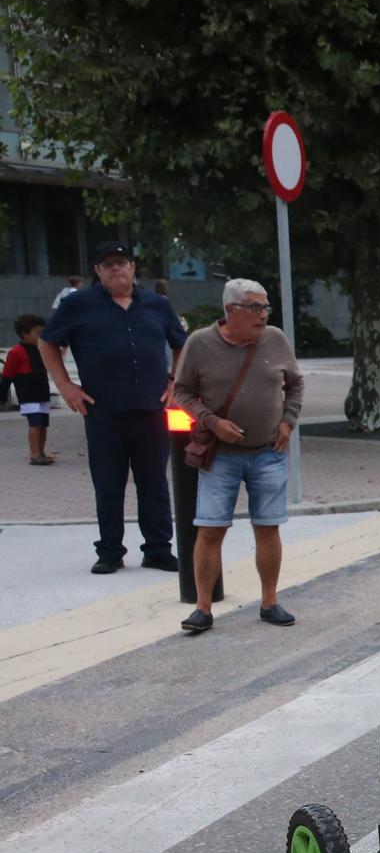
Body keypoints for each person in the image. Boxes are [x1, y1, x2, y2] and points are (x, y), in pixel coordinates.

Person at [38, 241, 187, 574]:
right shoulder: (79, 305)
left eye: (121, 263)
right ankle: (110, 550)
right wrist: (64, 386)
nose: (115, 269)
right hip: (103, 412)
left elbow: (181, 343)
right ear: (97, 271)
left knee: (155, 484)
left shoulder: (156, 305)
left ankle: (158, 549)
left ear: (133, 267)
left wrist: (175, 382)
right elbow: (46, 341)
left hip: (152, 410)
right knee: (108, 483)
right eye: (108, 264)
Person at [170, 277, 304, 632]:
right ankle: (202, 607)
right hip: (221, 455)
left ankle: (270, 601)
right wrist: (212, 422)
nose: (263, 315)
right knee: (210, 529)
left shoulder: (275, 339)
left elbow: (296, 383)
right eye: (255, 307)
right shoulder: (200, 343)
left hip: (268, 452)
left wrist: (288, 422)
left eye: (265, 307)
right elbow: (181, 392)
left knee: (268, 527)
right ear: (231, 310)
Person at [8, 315, 53, 464]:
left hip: (42, 392)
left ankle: (41, 452)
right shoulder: (16, 352)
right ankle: (34, 454)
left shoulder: (41, 349)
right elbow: (7, 375)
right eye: (38, 333)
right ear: (25, 334)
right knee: (35, 424)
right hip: (28, 394)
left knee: (43, 424)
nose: (41, 336)